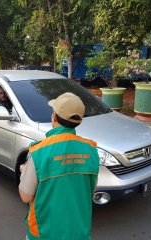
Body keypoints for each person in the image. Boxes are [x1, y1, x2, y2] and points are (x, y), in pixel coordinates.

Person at [18, 92, 100, 240]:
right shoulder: (91, 150)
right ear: (78, 121)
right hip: (78, 232)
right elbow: (89, 188)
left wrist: (24, 172)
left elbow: (25, 196)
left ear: (54, 117)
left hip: (43, 233)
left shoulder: (39, 151)